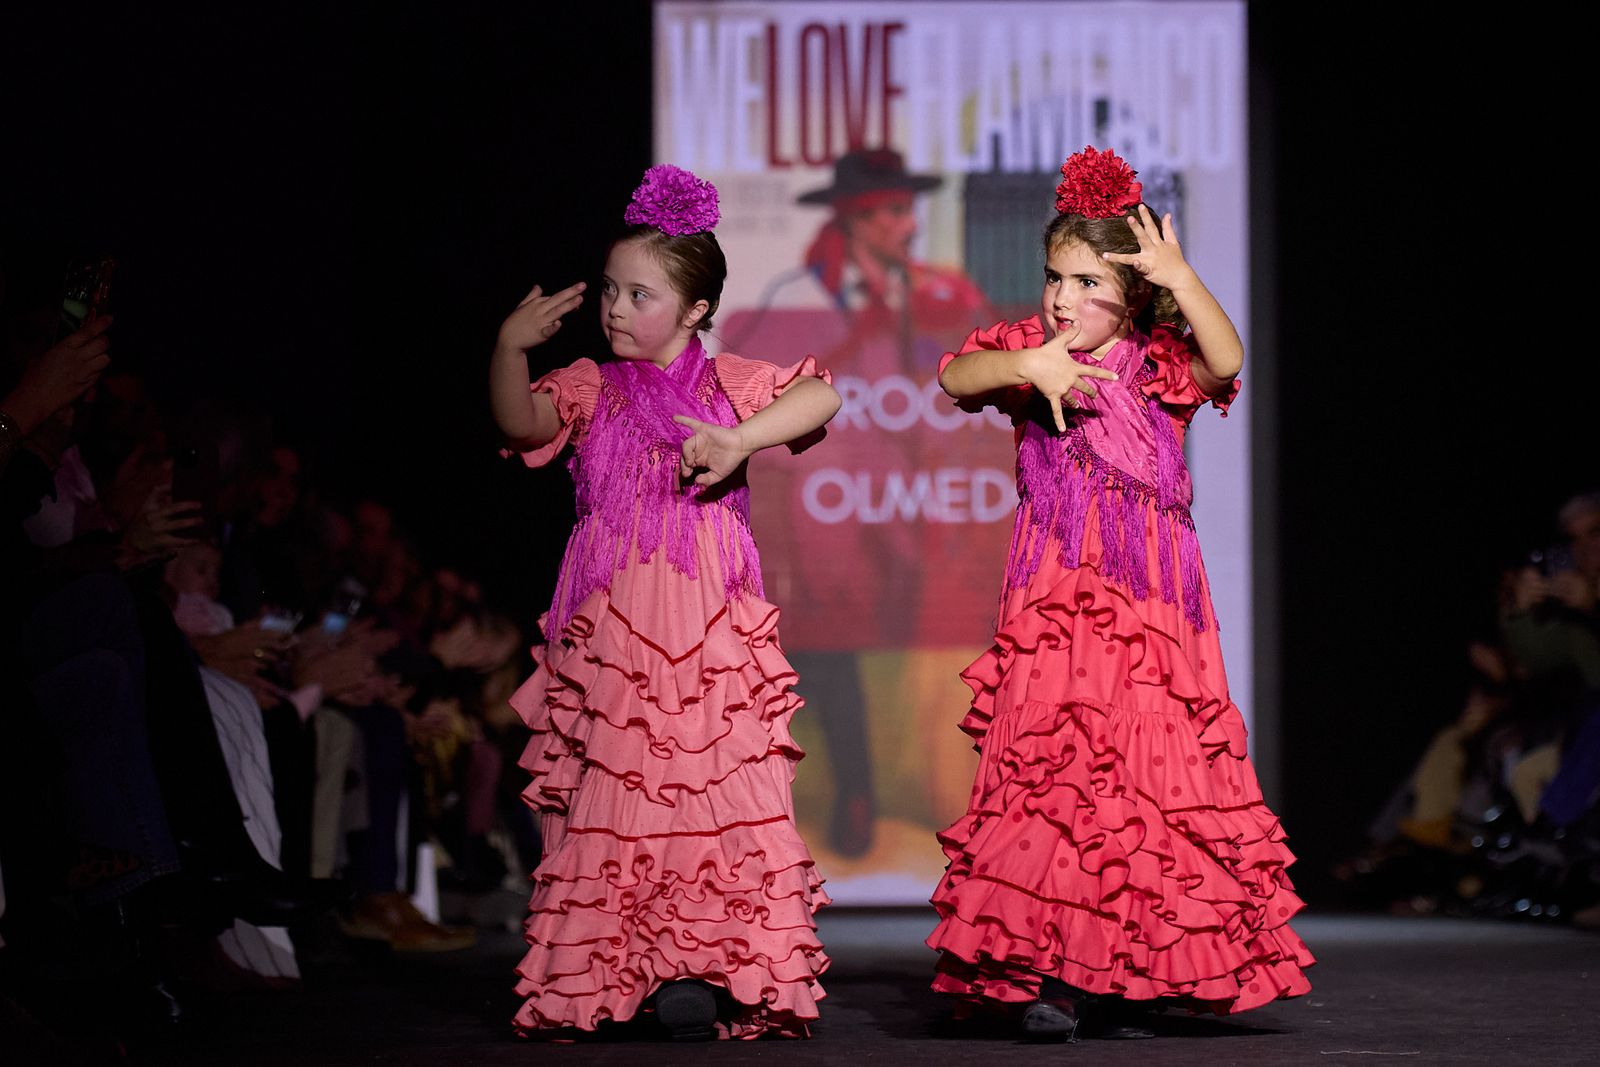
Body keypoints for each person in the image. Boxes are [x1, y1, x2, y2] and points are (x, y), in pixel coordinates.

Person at [926, 147, 1314, 1040]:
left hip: (1154, 607)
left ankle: (1147, 965)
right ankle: (1055, 965)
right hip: (1058, 599)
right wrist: (1034, 367)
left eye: (1089, 282)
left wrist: (1184, 276)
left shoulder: (1158, 363)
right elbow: (954, 375)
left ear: (1134, 294)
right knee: (1060, 781)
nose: (1064, 299)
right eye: (1057, 278)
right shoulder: (1030, 353)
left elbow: (1227, 359)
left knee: (1149, 781)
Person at [489, 165, 838, 1040]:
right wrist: (508, 349)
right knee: (619, 796)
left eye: (639, 293)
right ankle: (625, 970)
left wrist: (739, 438)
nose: (614, 307)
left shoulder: (728, 384)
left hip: (711, 626)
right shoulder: (591, 386)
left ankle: (705, 964)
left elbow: (821, 394)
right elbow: (521, 427)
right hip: (616, 630)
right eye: (609, 289)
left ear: (693, 310)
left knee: (710, 796)